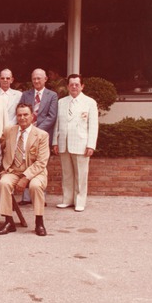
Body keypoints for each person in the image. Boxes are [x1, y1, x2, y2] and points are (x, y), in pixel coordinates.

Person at [0, 103, 50, 236]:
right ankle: (8, 221)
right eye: (19, 115)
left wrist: (26, 178)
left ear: (32, 116)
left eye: (25, 114)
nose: (22, 117)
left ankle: (39, 222)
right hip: (13, 170)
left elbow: (41, 162)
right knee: (4, 183)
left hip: (35, 172)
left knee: (36, 186)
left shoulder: (42, 135)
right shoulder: (9, 131)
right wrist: (1, 168)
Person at [52, 74, 99, 212]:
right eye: (71, 84)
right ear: (67, 86)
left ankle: (80, 201)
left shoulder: (89, 102)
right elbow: (57, 124)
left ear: (82, 86)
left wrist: (91, 145)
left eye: (77, 84)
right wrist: (55, 141)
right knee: (67, 173)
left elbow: (94, 125)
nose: (74, 87)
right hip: (64, 143)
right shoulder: (61, 102)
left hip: (81, 143)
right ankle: (67, 199)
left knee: (81, 174)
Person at [19, 68, 58, 204]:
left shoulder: (52, 95)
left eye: (39, 78)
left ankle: (40, 196)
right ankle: (26, 197)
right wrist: (28, 130)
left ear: (45, 79)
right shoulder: (25, 95)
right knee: (25, 162)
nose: (36, 81)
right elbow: (22, 112)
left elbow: (51, 117)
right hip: (26, 134)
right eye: (34, 78)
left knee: (41, 165)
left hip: (42, 135)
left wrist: (35, 131)